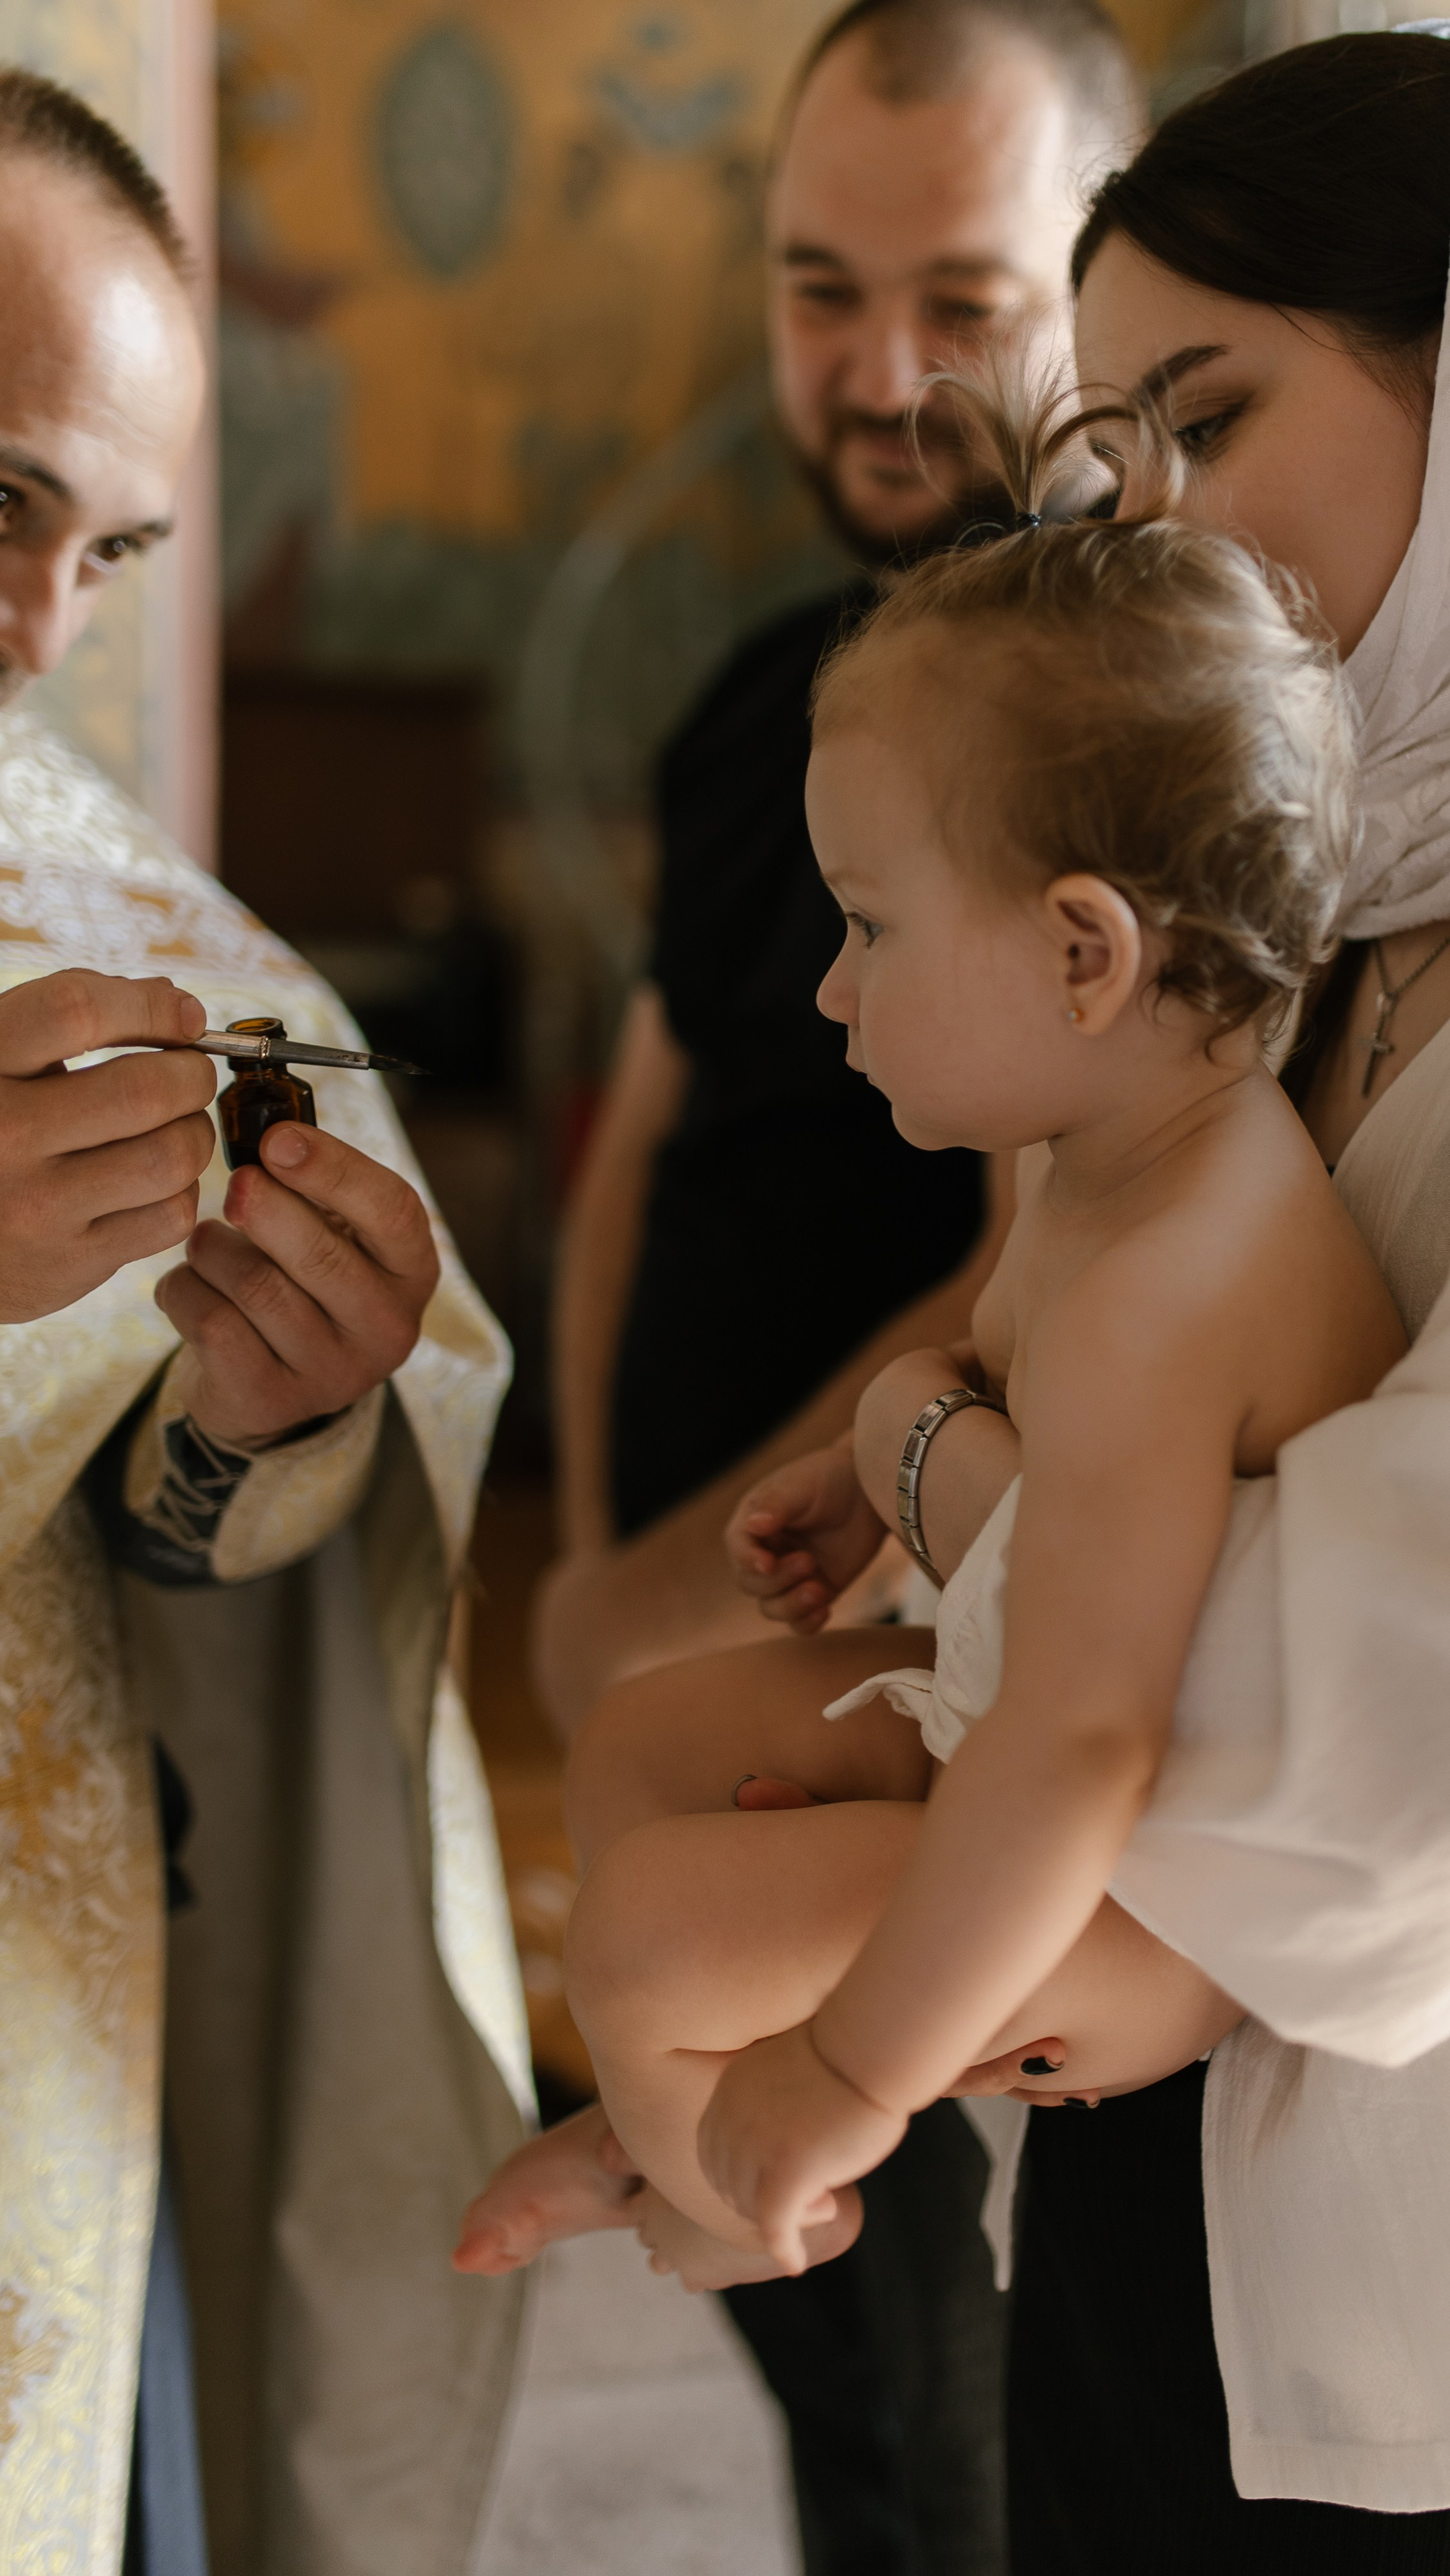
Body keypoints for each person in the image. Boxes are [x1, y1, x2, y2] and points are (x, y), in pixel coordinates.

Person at [972, 23, 1450, 2567]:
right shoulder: (1304, 881)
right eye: (1112, 459)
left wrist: (962, 1501)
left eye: (1217, 416)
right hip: (1121, 2099)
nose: (1156, 535)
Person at [456, 405, 1410, 2300]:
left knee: (639, 1929)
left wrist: (849, 2066)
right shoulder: (1112, 1160)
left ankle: (733, 2204)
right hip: (1051, 1748)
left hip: (1165, 1888)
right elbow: (993, 1357)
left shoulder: (1181, 1281)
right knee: (644, 1739)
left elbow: (1076, 1753)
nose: (830, 989)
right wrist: (860, 1474)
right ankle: (669, 2139)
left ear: (1085, 955)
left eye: (873, 927)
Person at [532, 7, 1140, 2569]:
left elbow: (1048, 1266)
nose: (880, 376)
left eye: (965, 300)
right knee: (825, 2382)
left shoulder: (1145, 729)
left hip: (896, 1691)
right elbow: (638, 1155)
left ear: (1100, 290)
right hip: (684, 1616)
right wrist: (575, 1565)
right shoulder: (748, 703)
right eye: (818, 289)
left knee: (935, 2423)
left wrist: (655, 1619)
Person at [0, 72, 529, 2576]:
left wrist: (259, 1417)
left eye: (108, 549)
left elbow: (164, 1534)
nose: (43, 634)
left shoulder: (128, 930)